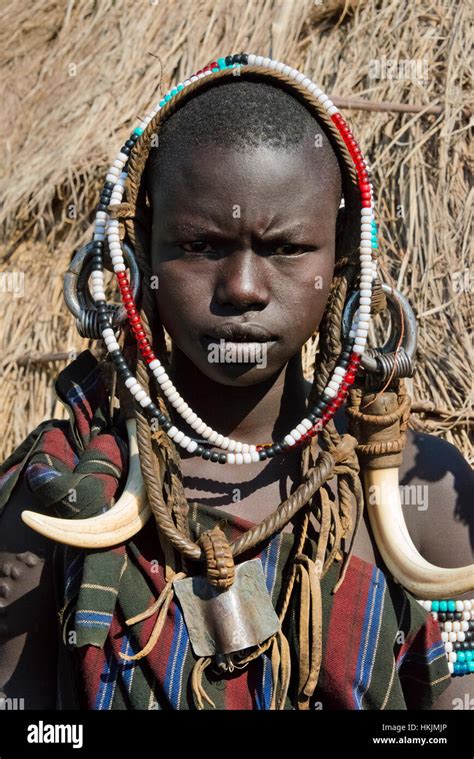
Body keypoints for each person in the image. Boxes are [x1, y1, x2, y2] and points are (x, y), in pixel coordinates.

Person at [0, 54, 472, 711]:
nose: (244, 288)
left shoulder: (416, 494)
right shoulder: (63, 493)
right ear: (136, 258)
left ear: (340, 259)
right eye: (199, 246)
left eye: (284, 249)